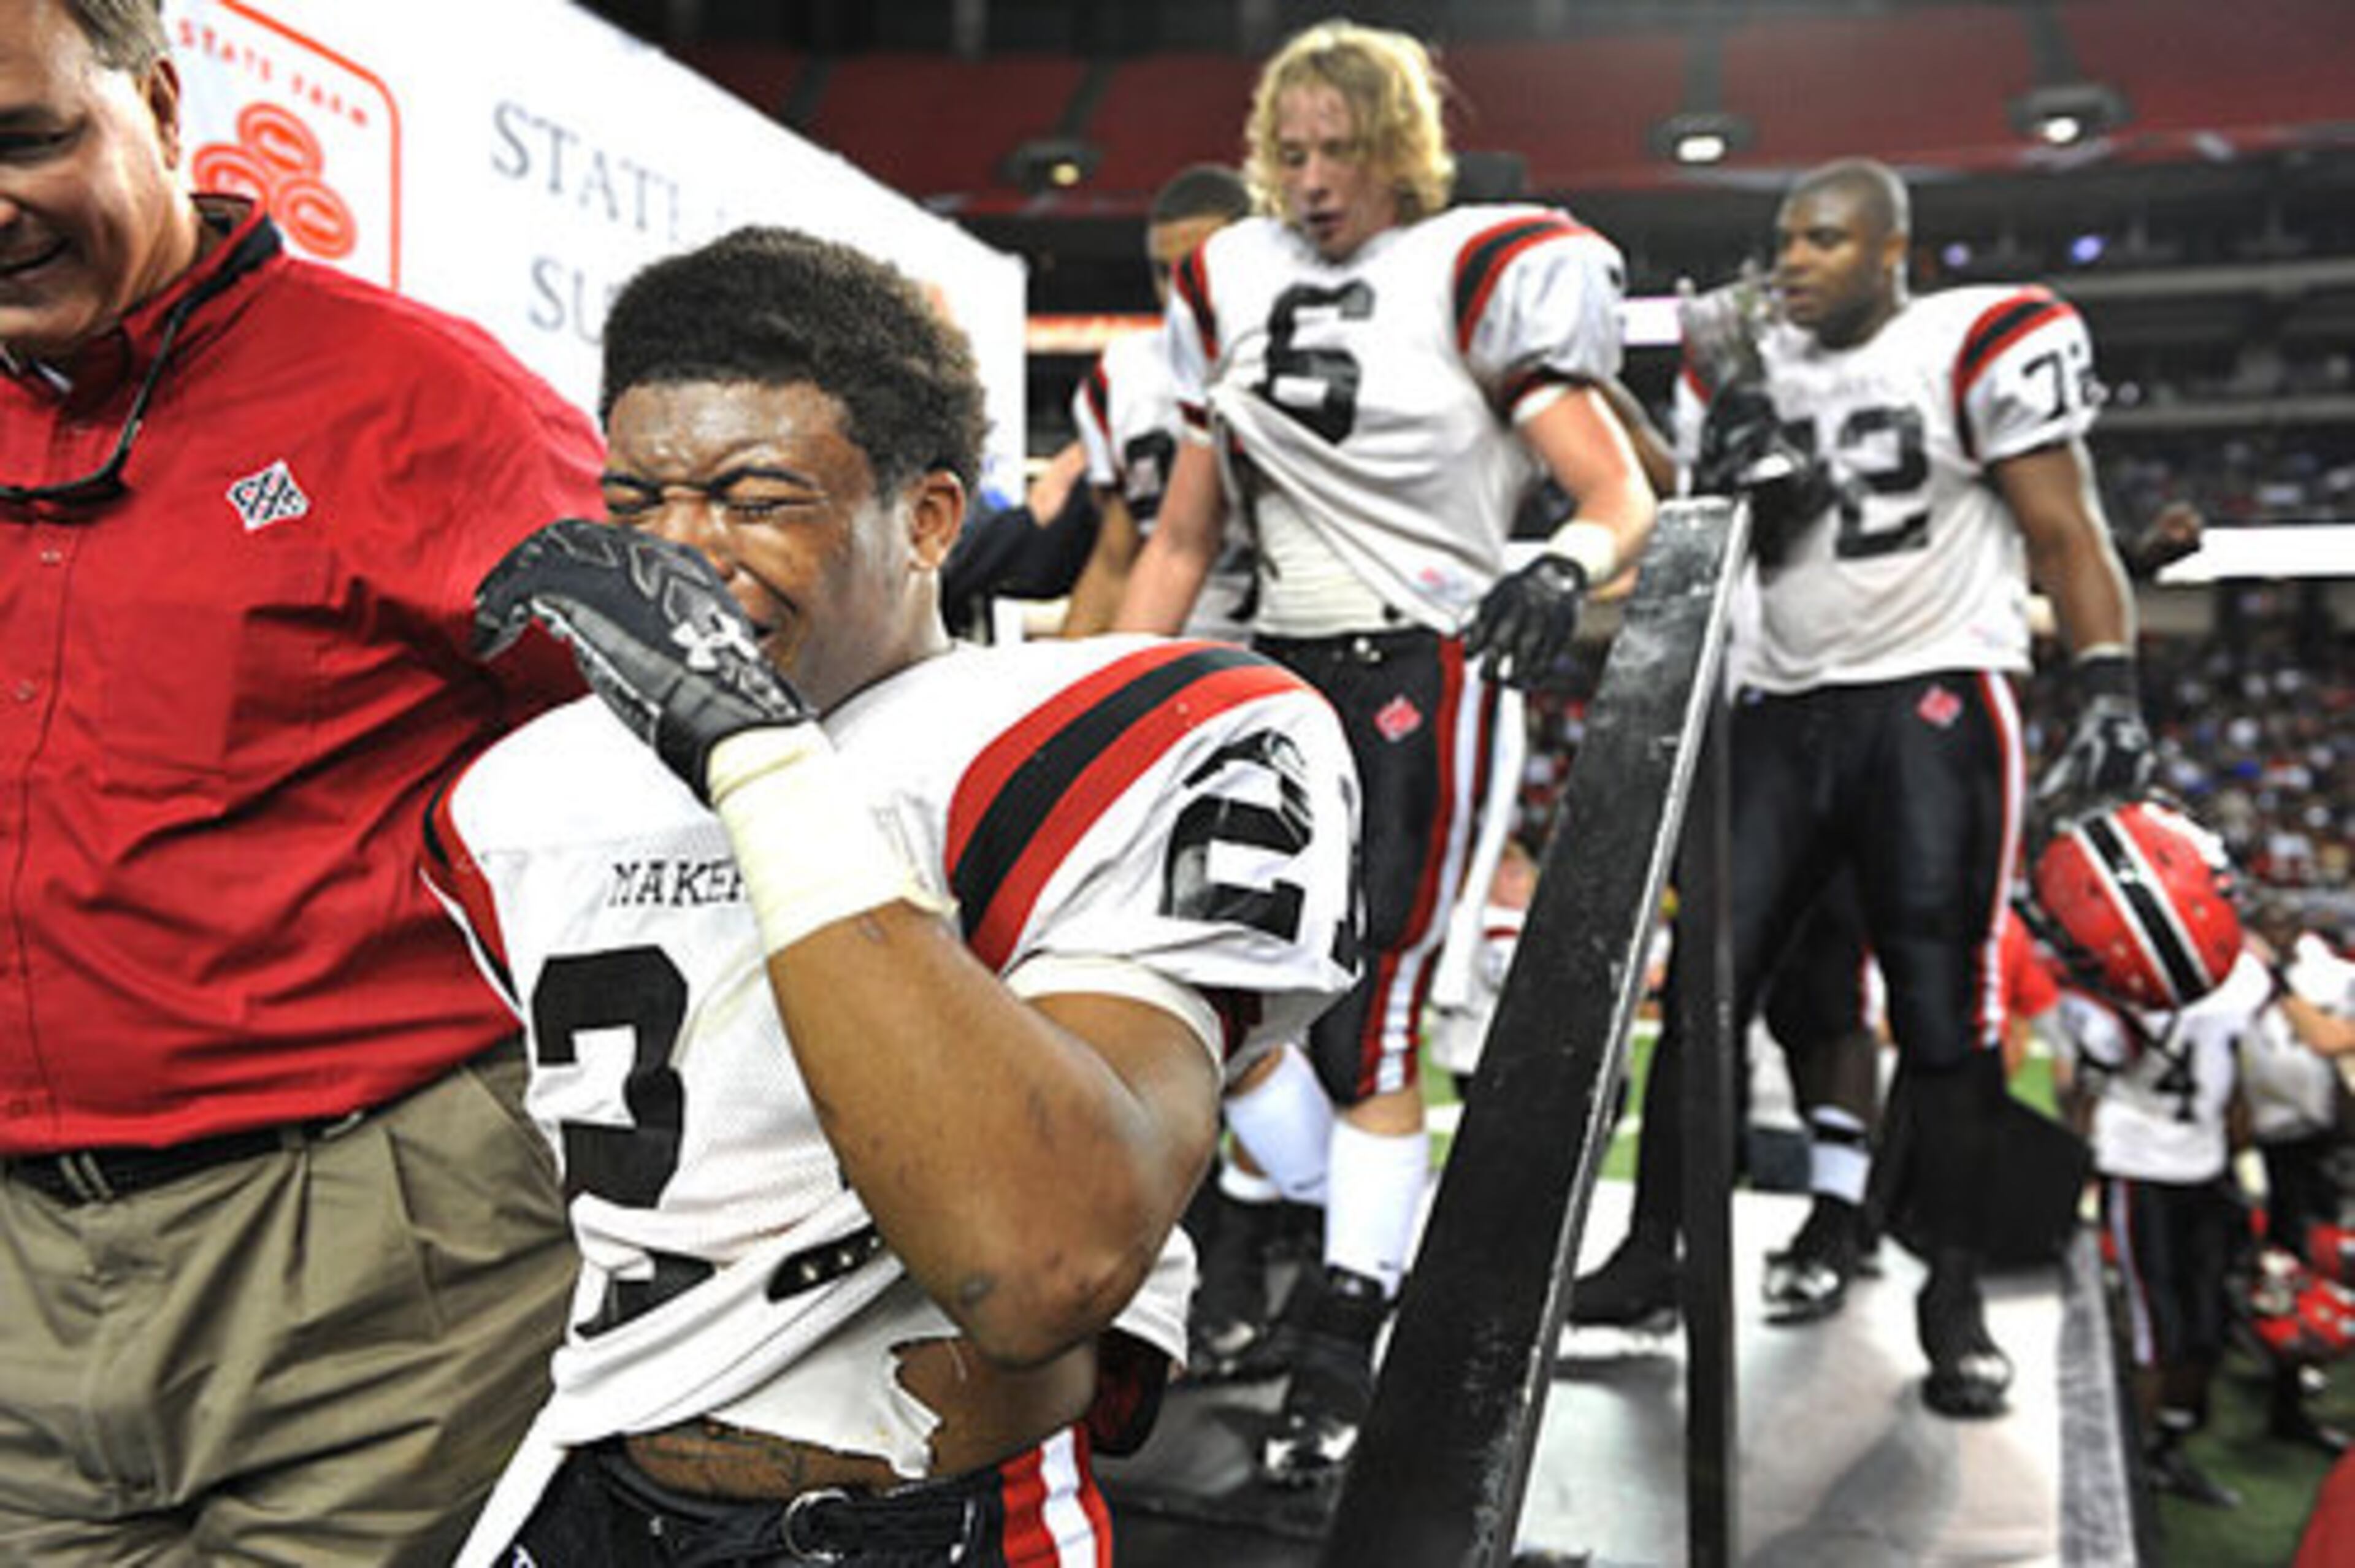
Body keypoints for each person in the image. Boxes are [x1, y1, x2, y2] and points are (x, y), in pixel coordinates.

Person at [434, 226, 1362, 1565]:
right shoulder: (520, 794)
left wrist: (755, 756)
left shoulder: (1142, 723)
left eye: (754, 499)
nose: (680, 556)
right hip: (593, 1489)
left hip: (914, 1522)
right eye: (636, 504)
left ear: (928, 519)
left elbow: (1041, 1263)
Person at [0, 1, 597, 1560]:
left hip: (371, 1262)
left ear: (160, 102)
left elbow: (674, 767)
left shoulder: (427, 401)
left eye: (27, 139)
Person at [1112, 18, 1657, 1483]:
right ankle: (1358, 1242)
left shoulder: (1478, 267)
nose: (1310, 181)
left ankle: (1345, 1327)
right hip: (1271, 665)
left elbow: (1616, 491)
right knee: (1216, 990)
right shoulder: (1227, 277)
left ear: (1401, 147)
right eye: (1288, 153)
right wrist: (1110, 685)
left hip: (1432, 656)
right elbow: (1183, 536)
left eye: (1339, 151)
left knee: (1382, 1011)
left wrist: (1563, 565)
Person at [1574, 156, 2150, 1420]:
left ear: (1893, 251)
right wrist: (1728, 466)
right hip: (1783, 703)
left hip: (1933, 695)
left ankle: (1955, 1296)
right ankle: (1656, 1250)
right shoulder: (1743, 360)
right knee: (1704, 988)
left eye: (1826, 239)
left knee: (1946, 1009)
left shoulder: (1974, 341)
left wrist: (2109, 685)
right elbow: (1722, 540)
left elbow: (2065, 527)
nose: (1794, 259)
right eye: (1786, 237)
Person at [2035, 801, 2256, 1509]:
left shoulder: (2112, 994)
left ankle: (2159, 1451)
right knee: (2159, 1328)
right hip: (2151, 1166)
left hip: (2187, 1161)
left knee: (2191, 1325)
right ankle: (2129, 1469)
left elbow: (2087, 1087)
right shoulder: (2233, 978)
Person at [1060, 162, 1257, 640]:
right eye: (1164, 273)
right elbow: (1115, 560)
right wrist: (1066, 673)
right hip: (1172, 647)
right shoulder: (1123, 376)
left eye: (1195, 268)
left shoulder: (1294, 365)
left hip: (1296, 645)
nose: (1177, 293)